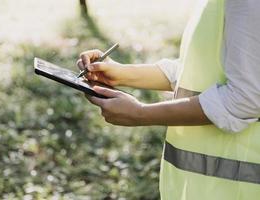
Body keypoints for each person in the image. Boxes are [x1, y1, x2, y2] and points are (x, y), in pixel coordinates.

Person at [76, 0, 260, 199]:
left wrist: (141, 114)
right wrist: (121, 73)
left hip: (237, 188)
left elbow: (245, 99)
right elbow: (198, 70)